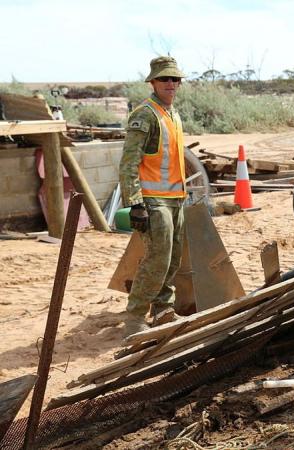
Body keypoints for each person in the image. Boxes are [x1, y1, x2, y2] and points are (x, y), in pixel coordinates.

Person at [119, 56, 187, 336]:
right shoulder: (145, 114)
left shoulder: (172, 113)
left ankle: (162, 310)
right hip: (153, 200)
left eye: (175, 79)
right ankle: (134, 318)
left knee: (172, 259)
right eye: (164, 79)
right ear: (153, 82)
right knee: (157, 259)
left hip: (175, 198)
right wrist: (135, 203)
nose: (170, 84)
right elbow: (128, 162)